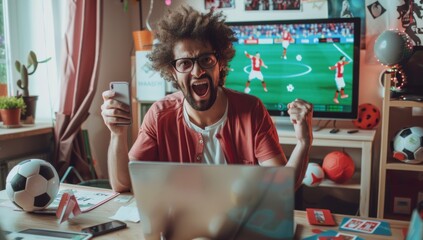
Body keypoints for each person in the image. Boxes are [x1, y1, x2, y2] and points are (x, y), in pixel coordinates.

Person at [101, 5, 313, 194]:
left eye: (206, 60)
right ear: (172, 71)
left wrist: (304, 142)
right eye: (185, 63)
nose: (197, 71)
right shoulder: (159, 115)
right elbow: (123, 184)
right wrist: (117, 134)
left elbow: (280, 188)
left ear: (220, 63)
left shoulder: (252, 110)